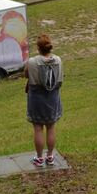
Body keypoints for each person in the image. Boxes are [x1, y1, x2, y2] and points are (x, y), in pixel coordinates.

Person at [25, 34, 63, 167]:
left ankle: (39, 158)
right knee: (51, 127)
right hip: (53, 97)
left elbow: (26, 74)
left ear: (38, 48)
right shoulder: (58, 60)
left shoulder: (32, 62)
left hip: (36, 99)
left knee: (38, 128)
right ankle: (50, 156)